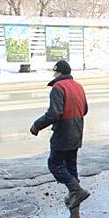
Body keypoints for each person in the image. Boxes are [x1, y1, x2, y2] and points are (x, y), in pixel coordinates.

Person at [30, 60, 90, 210]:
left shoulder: (58, 87)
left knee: (54, 163)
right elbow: (85, 109)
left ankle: (76, 190)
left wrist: (37, 125)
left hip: (64, 131)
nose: (53, 74)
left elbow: (54, 113)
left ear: (59, 73)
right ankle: (74, 195)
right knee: (70, 163)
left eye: (55, 72)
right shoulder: (78, 86)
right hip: (77, 129)